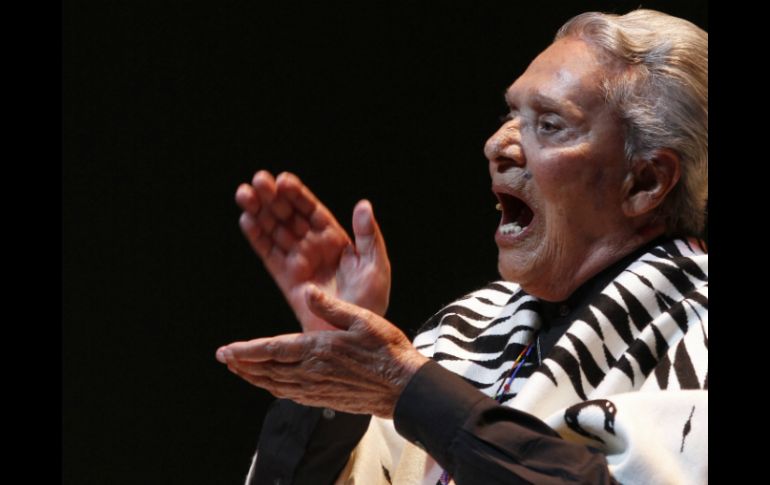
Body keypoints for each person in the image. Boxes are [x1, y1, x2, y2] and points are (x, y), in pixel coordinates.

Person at [216, 8, 707, 485]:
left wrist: (411, 391)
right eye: (511, 113)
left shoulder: (697, 326)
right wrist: (333, 369)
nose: (497, 144)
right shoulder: (466, 330)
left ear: (645, 181)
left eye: (549, 124)